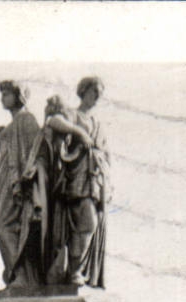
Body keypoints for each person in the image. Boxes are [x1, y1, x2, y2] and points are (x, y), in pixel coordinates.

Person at [39, 77, 108, 286]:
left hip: (94, 179)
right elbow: (52, 121)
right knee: (87, 222)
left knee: (89, 223)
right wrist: (78, 132)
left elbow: (106, 153)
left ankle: (77, 271)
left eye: (99, 94)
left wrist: (108, 183)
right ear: (83, 91)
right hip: (76, 177)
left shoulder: (98, 124)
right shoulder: (72, 114)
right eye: (93, 92)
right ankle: (75, 272)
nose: (96, 97)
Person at [0, 80, 46, 286]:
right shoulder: (12, 124)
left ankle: (21, 276)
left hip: (17, 184)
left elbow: (37, 153)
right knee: (7, 227)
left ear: (19, 95)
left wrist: (28, 181)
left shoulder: (26, 120)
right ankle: (19, 275)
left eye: (6, 94)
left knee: (3, 228)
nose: (2, 98)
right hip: (5, 182)